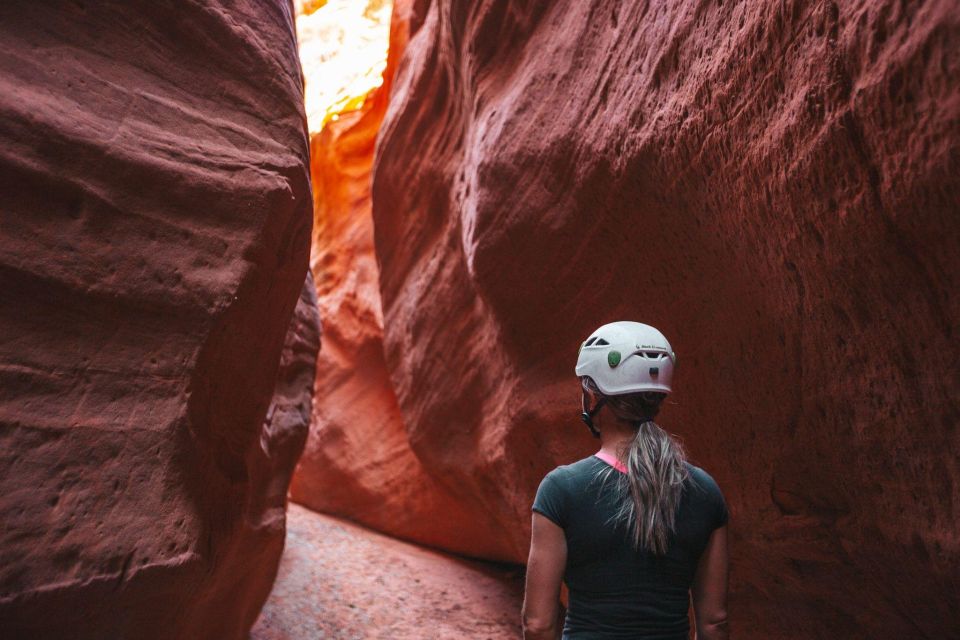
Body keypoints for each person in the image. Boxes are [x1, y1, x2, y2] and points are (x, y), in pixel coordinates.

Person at [522, 321, 729, 640]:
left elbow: (538, 623)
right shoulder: (704, 491)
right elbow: (714, 621)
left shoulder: (562, 490)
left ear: (592, 395)